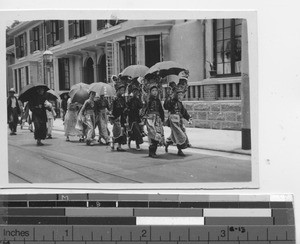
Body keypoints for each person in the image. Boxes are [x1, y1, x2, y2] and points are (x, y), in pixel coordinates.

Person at [163, 85, 192, 156]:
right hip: (173, 120)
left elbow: (184, 112)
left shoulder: (180, 103)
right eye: (179, 95)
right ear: (176, 95)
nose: (180, 96)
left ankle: (168, 142)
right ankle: (180, 150)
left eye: (182, 95)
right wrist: (168, 96)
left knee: (177, 133)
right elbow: (166, 106)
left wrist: (188, 118)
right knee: (179, 133)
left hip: (179, 120)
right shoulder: (171, 101)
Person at [143, 84, 165, 158]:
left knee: (158, 134)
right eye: (153, 90)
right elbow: (144, 110)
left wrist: (162, 119)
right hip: (150, 119)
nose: (155, 92)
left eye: (156, 90)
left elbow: (161, 110)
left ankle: (153, 151)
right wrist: (143, 118)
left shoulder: (158, 101)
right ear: (150, 92)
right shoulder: (148, 101)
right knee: (153, 134)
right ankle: (151, 151)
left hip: (157, 120)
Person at [111, 82, 127, 151]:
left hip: (122, 117)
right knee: (116, 131)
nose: (122, 92)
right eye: (121, 90)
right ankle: (113, 142)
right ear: (118, 90)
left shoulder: (123, 99)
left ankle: (119, 146)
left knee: (122, 131)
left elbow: (125, 106)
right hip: (116, 117)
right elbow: (112, 109)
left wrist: (126, 109)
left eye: (123, 90)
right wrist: (112, 118)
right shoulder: (114, 99)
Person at [127, 85, 144, 150]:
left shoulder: (138, 100)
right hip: (131, 117)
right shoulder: (130, 100)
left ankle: (137, 144)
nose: (135, 93)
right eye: (134, 91)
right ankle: (135, 143)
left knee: (137, 130)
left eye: (137, 92)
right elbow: (127, 107)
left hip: (137, 117)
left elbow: (141, 106)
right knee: (135, 130)